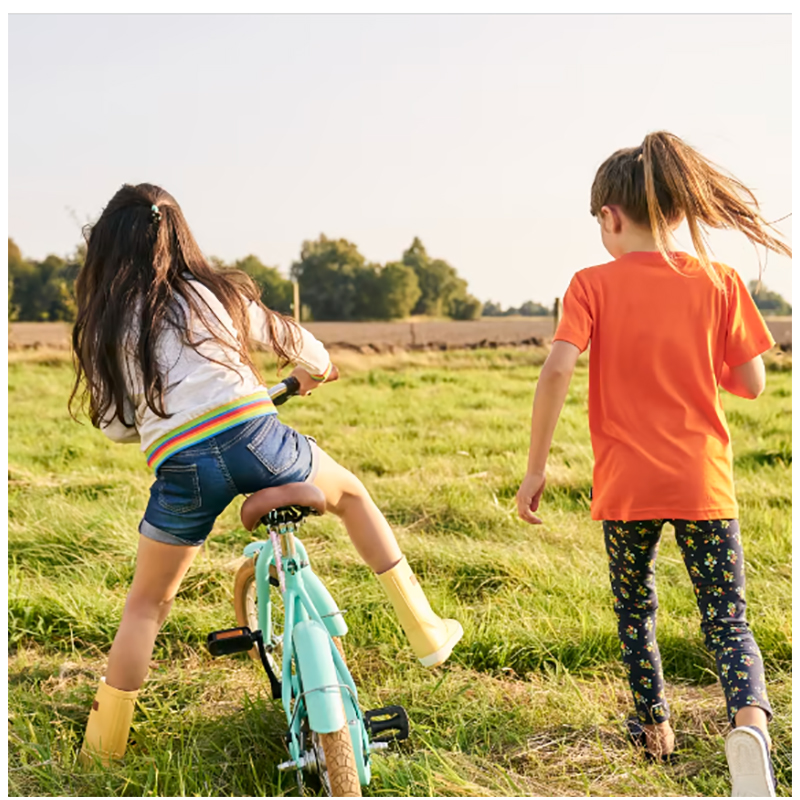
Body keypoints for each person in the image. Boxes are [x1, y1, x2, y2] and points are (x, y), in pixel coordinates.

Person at [71, 183, 463, 766]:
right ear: (180, 236)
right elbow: (309, 351)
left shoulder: (107, 327)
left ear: (107, 250)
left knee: (147, 605)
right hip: (262, 439)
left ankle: (103, 751)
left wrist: (158, 421)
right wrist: (311, 375)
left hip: (182, 468)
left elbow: (113, 426)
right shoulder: (218, 294)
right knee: (352, 495)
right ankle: (426, 631)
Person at [514, 132, 789, 797]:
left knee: (636, 608)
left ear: (611, 217)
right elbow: (751, 382)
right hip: (703, 482)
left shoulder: (589, 285)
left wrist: (536, 467)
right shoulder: (720, 281)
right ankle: (748, 725)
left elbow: (557, 368)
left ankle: (654, 728)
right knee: (727, 618)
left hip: (627, 486)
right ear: (672, 209)